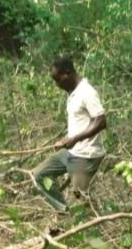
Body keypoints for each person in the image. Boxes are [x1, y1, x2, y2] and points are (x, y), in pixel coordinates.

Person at [31, 57, 107, 213]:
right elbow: (81, 123)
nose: (57, 85)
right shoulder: (72, 94)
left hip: (86, 155)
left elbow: (100, 121)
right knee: (38, 174)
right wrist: (67, 139)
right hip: (71, 152)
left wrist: (74, 139)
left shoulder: (87, 92)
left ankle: (91, 223)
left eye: (57, 80)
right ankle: (64, 212)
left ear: (67, 73)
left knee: (82, 202)